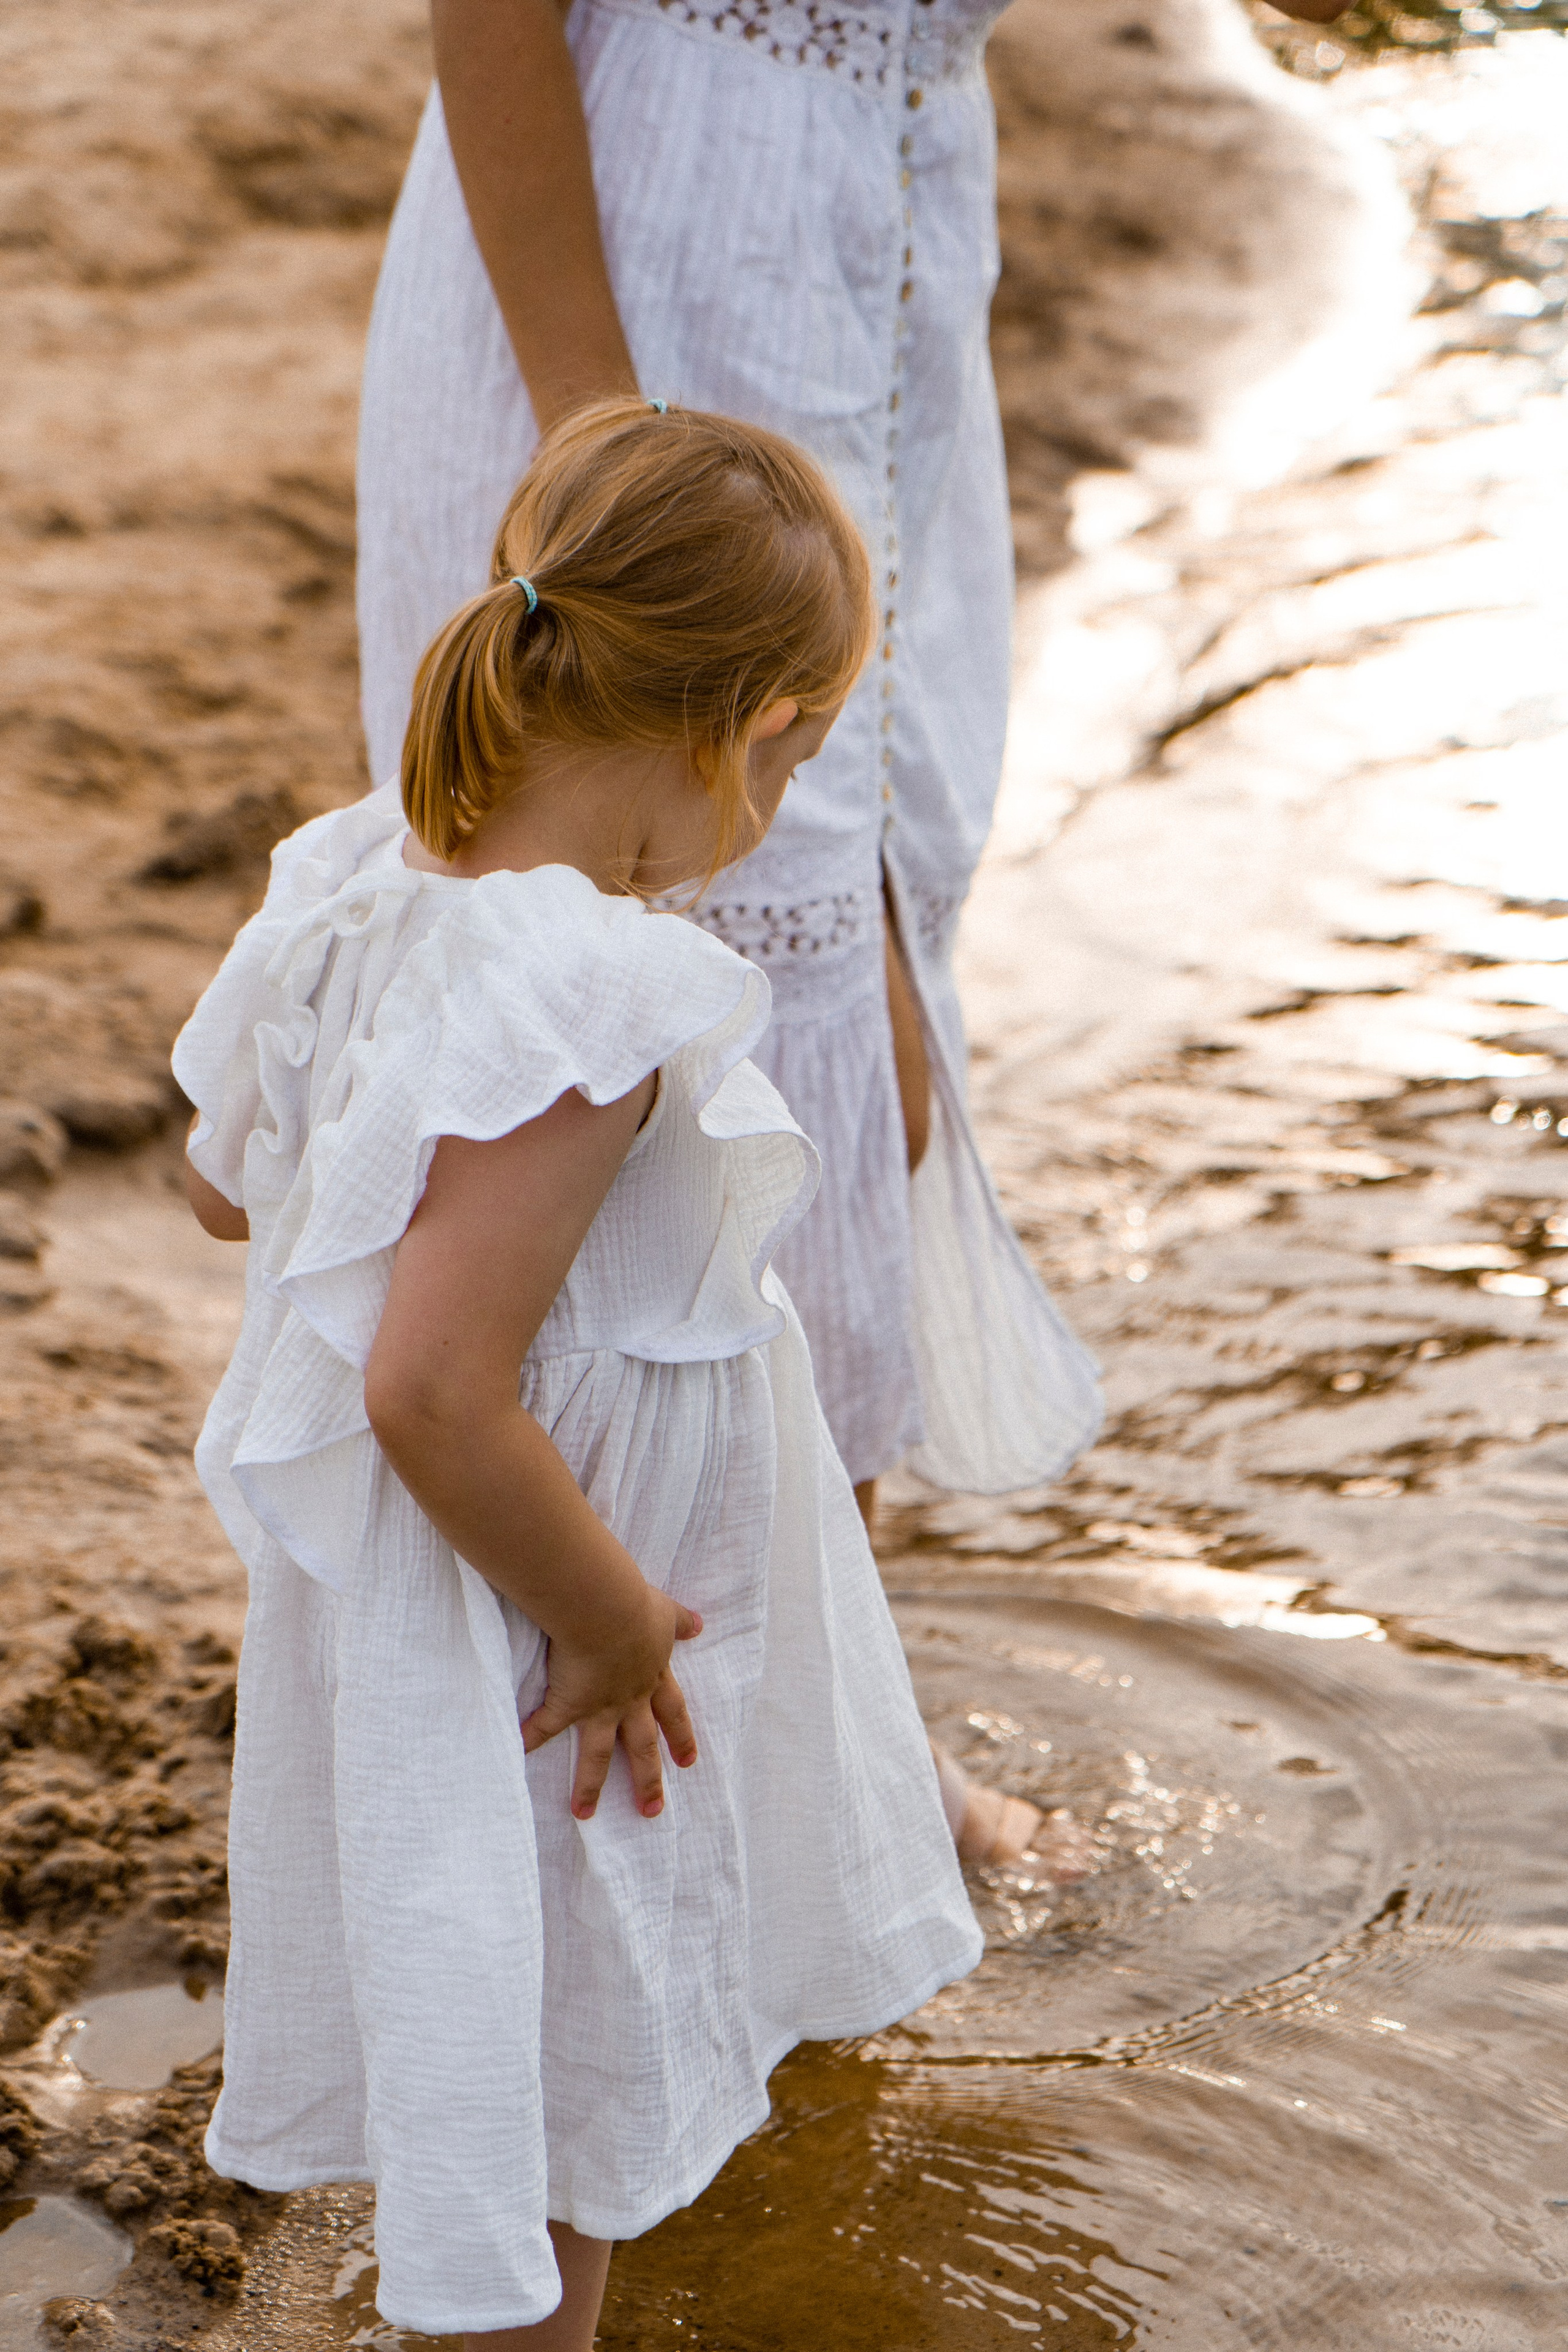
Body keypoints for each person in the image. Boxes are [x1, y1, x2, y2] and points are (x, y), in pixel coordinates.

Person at [176, 400, 982, 2350]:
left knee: (484, 2029)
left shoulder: (368, 879)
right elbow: (434, 1389)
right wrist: (616, 1620)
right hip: (540, 1632)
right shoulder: (590, 994)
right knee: (576, 2091)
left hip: (426, 1608)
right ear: (747, 738)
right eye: (802, 751)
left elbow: (228, 1193)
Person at [356, 0, 1106, 1865]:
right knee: (730, 1024)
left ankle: (795, 1684)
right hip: (645, 277)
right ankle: (706, 1704)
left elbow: (247, 1163)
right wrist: (599, 423)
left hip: (902, 243)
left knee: (875, 974)